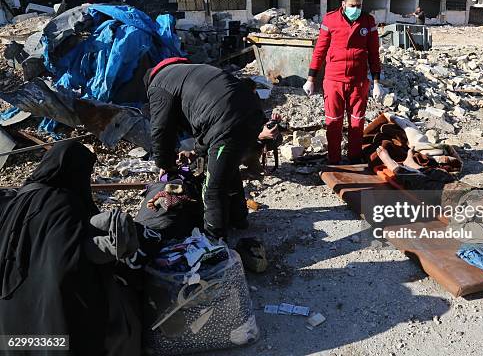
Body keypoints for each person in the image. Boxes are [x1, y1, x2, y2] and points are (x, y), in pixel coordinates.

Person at [0, 141, 123, 355]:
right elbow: (68, 263)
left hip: (8, 323)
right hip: (50, 325)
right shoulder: (64, 202)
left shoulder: (18, 199)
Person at [145, 58, 277, 240]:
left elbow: (161, 129)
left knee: (213, 189)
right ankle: (239, 219)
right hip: (250, 109)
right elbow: (206, 123)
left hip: (226, 120)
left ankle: (214, 241)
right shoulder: (189, 71)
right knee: (226, 166)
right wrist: (196, 152)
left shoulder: (158, 85)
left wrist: (165, 164)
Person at [304, 0, 383, 164]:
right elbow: (320, 51)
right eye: (352, 5)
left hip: (359, 81)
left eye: (359, 5)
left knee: (357, 122)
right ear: (344, 3)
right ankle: (334, 159)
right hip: (334, 80)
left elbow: (374, 53)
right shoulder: (330, 20)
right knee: (333, 122)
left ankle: (354, 158)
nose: (356, 9)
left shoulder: (368, 22)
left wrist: (377, 82)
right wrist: (311, 79)